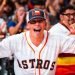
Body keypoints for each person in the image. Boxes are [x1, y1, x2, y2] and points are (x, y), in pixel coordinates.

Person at [0, 8, 75, 75]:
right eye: (33, 21)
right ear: (28, 25)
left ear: (45, 24)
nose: (37, 24)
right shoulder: (16, 40)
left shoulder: (57, 39)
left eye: (40, 21)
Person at [49, 5, 75, 75]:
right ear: (61, 17)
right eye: (68, 15)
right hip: (62, 69)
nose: (72, 17)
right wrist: (72, 35)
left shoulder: (73, 27)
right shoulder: (55, 30)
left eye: (73, 14)